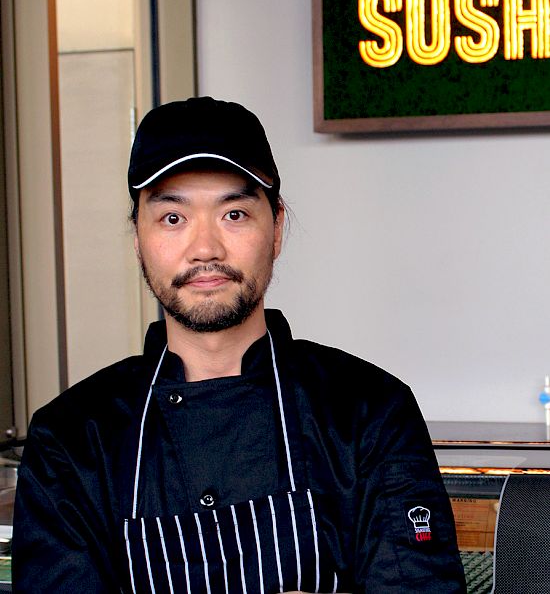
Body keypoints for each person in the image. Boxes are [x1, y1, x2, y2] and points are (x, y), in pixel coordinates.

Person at [12, 96, 466, 592]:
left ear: (276, 228)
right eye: (172, 218)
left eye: (233, 214)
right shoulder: (72, 438)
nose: (205, 249)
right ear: (137, 239)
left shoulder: (369, 412)